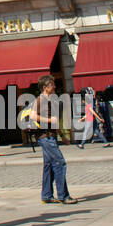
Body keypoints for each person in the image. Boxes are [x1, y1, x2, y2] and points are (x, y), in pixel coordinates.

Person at [31, 75, 76, 204]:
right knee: (60, 163)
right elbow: (33, 116)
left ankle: (46, 195)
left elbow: (54, 121)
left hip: (51, 136)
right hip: (45, 137)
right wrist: (50, 120)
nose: (55, 86)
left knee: (49, 166)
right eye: (52, 85)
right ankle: (64, 196)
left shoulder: (51, 100)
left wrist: (62, 135)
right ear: (45, 88)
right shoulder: (40, 100)